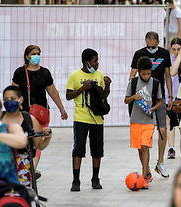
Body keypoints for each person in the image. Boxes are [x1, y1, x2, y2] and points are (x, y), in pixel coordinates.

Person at [11, 45, 67, 177]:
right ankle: (23, 166)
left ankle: (31, 169)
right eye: (34, 54)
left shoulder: (45, 72)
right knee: (22, 140)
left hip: (41, 112)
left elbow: (52, 91)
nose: (37, 56)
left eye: (38, 53)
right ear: (27, 56)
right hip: (23, 112)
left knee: (38, 140)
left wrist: (61, 108)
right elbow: (13, 91)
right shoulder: (19, 72)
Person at [66, 48, 112, 192]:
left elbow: (103, 96)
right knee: (78, 149)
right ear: (87, 62)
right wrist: (82, 88)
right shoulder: (75, 75)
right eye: (95, 61)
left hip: (97, 119)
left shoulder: (99, 75)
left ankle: (95, 178)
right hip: (80, 118)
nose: (97, 63)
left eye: (97, 61)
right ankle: (76, 180)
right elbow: (68, 95)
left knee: (97, 150)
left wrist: (108, 84)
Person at [130, 32, 172, 178]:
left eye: (154, 40)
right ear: (145, 40)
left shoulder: (164, 53)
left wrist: (170, 96)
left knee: (163, 130)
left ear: (158, 41)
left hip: (158, 96)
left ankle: (160, 162)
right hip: (142, 99)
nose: (151, 42)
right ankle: (145, 168)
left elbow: (167, 75)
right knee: (142, 138)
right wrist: (133, 94)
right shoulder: (139, 54)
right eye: (149, 39)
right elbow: (132, 74)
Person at [1, 85, 50, 188]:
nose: (9, 102)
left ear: (20, 99)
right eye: (6, 99)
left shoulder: (29, 120)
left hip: (23, 167)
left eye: (13, 99)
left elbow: (39, 145)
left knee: (20, 199)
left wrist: (48, 137)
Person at [126, 58, 163, 187]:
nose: (146, 76)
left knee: (145, 146)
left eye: (148, 73)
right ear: (139, 72)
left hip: (149, 120)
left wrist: (153, 108)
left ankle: (143, 178)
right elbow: (126, 100)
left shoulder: (156, 83)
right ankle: (147, 171)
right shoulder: (134, 82)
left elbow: (160, 100)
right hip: (135, 119)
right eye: (143, 74)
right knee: (140, 148)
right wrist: (133, 97)